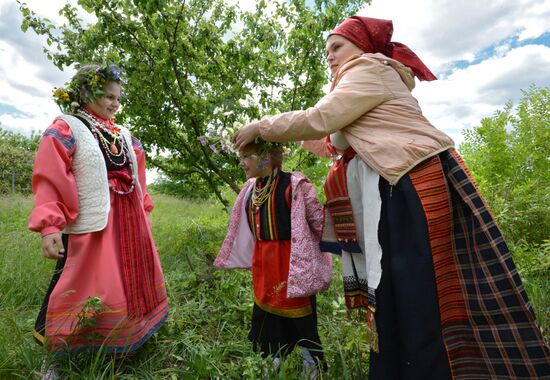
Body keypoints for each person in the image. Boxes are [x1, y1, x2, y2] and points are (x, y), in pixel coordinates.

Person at [233, 16, 550, 380]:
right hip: (395, 189)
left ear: (362, 46)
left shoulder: (370, 68)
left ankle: (426, 369)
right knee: (394, 291)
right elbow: (330, 141)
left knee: (416, 293)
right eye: (327, 52)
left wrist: (263, 126)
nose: (330, 57)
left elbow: (320, 119)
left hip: (412, 184)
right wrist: (284, 140)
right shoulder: (357, 90)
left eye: (336, 47)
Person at [29, 65, 168, 363]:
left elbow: (137, 175)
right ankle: (56, 354)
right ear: (85, 93)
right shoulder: (67, 127)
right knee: (79, 281)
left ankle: (127, 342)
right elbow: (50, 176)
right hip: (94, 224)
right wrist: (50, 225)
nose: (115, 103)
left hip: (130, 221)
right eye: (108, 96)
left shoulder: (124, 134)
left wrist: (145, 210)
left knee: (128, 279)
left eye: (118, 97)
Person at [214, 141, 332, 376]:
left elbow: (319, 221)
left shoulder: (295, 185)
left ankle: (311, 360)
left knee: (300, 312)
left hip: (291, 262)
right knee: (267, 312)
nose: (241, 162)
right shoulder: (251, 189)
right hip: (264, 262)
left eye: (247, 155)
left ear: (267, 157)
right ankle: (274, 356)